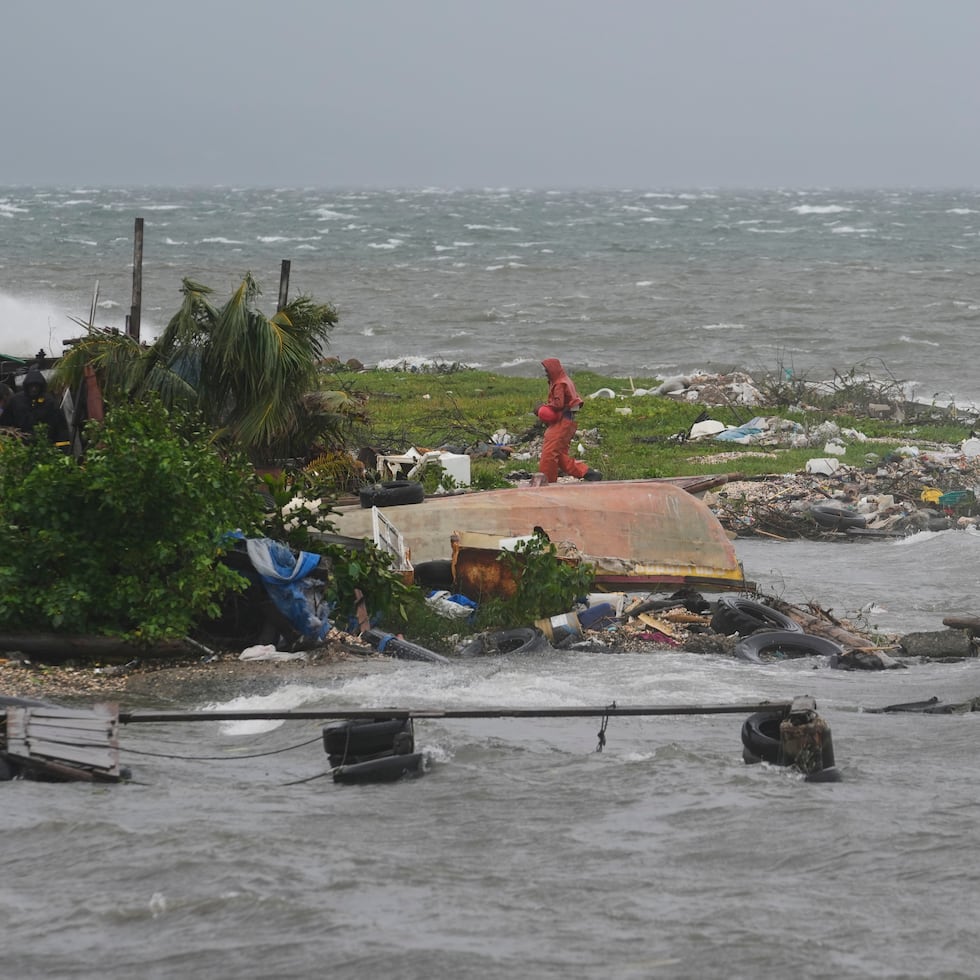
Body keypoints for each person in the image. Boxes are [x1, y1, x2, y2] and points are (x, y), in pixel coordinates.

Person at [535, 357, 602, 483]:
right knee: (559, 455)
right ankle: (588, 473)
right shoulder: (565, 379)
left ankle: (546, 482)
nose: (546, 373)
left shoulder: (559, 383)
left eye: (547, 370)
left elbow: (558, 404)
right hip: (569, 422)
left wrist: (542, 408)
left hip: (561, 423)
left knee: (549, 454)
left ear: (552, 369)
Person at [5, 366, 71, 448]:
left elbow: (60, 426)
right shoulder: (16, 401)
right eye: (31, 386)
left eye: (37, 386)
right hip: (20, 446)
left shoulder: (50, 402)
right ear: (27, 386)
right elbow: (6, 423)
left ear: (41, 386)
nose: (34, 389)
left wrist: (63, 446)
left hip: (45, 446)